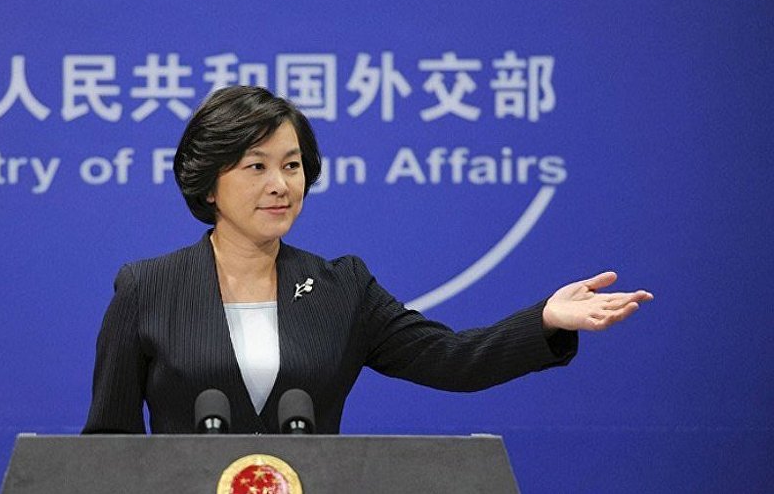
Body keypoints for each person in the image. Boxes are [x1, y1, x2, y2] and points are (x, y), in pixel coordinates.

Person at [82, 86, 653, 435]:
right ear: (210, 185)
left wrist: (545, 320)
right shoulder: (147, 288)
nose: (281, 185)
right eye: (257, 166)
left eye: (292, 165)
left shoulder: (342, 288)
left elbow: (452, 359)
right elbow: (110, 440)